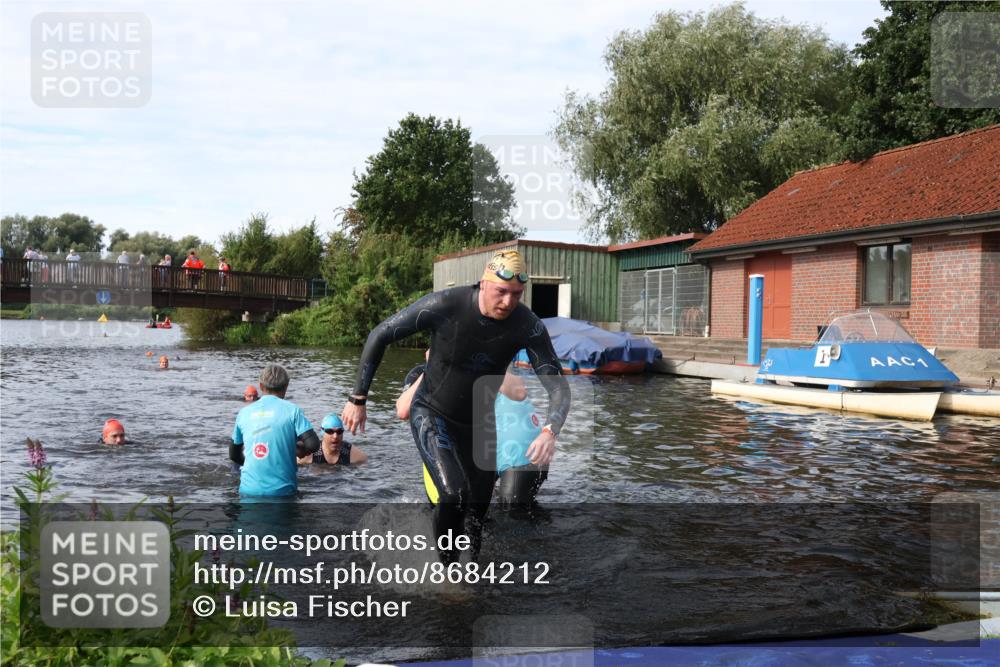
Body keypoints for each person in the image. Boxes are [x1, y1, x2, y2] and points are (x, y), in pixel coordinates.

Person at [342, 249, 570, 562]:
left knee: (477, 513)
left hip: (479, 424)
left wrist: (549, 430)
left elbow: (557, 386)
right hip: (433, 413)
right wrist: (358, 398)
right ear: (484, 283)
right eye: (501, 292)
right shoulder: (446, 305)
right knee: (453, 496)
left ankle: (470, 575)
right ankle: (448, 578)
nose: (508, 302)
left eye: (516, 294)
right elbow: (380, 334)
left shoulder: (527, 325)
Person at [398, 357, 546, 508]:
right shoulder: (420, 372)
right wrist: (433, 368)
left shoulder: (480, 358)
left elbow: (519, 391)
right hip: (478, 447)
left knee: (513, 517)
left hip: (517, 447)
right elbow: (403, 410)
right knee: (451, 509)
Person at [231, 364, 319, 497]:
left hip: (248, 491)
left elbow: (234, 455)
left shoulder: (243, 412)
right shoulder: (292, 410)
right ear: (286, 387)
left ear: (261, 386)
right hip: (283, 492)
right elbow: (313, 445)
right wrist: (299, 450)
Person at [298, 415, 368, 466]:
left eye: (339, 431)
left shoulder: (351, 453)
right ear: (322, 432)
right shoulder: (311, 453)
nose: (335, 436)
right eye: (330, 431)